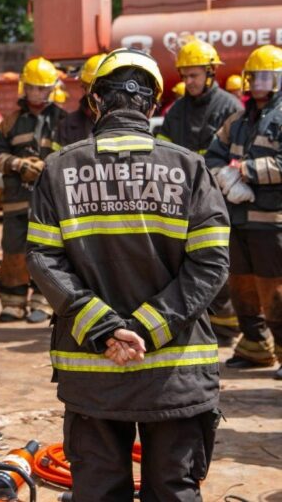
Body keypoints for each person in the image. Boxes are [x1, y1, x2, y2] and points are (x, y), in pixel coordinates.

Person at [27, 48, 230, 500]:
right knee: (173, 489)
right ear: (153, 105)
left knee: (99, 489)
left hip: (93, 368)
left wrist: (105, 330)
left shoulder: (59, 169)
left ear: (96, 102)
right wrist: (146, 328)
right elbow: (211, 264)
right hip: (175, 373)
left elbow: (43, 259)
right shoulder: (190, 167)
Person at [158, 38, 243, 345]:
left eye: (194, 75)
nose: (188, 81)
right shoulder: (177, 110)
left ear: (210, 73)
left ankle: (227, 329)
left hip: (218, 199)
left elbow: (236, 156)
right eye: (185, 75)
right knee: (185, 264)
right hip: (181, 199)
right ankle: (198, 324)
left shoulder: (230, 107)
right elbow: (162, 150)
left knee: (216, 262)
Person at [206, 45, 282, 379]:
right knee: (241, 286)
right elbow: (213, 153)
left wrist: (246, 170)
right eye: (255, 77)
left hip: (272, 220)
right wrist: (223, 174)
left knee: (275, 289)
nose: (259, 83)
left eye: (266, 77)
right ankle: (255, 346)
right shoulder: (236, 120)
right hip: (238, 218)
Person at [0, 57, 65, 322]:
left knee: (49, 250)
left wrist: (47, 166)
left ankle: (43, 302)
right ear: (24, 87)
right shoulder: (11, 121)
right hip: (17, 200)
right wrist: (18, 164)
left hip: (51, 202)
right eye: (32, 87)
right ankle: (13, 303)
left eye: (42, 88)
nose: (36, 93)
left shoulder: (64, 121)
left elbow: (72, 157)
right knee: (13, 250)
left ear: (52, 89)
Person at [57, 54, 103, 146]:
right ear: (84, 86)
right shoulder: (67, 125)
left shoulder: (125, 123)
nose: (96, 94)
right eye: (90, 87)